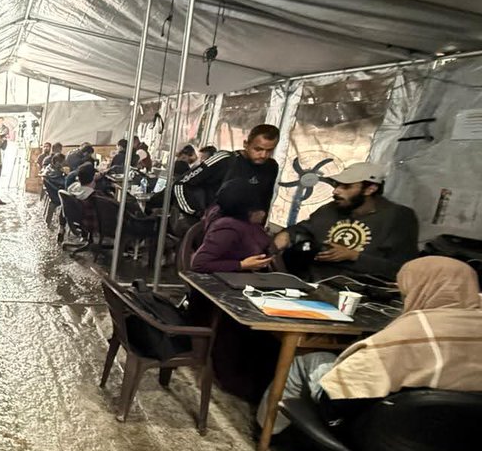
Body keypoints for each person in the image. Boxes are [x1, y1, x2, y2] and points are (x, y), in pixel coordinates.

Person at [258, 256, 482, 432]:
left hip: (373, 425)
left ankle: (268, 433)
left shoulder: (415, 329)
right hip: (449, 438)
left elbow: (352, 386)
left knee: (308, 358)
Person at [275, 163, 418, 282]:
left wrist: (354, 256)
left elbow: (403, 270)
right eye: (337, 185)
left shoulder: (398, 217)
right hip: (314, 284)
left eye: (346, 187)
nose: (336, 191)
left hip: (360, 293)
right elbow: (303, 229)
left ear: (370, 189)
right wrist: (287, 234)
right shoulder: (330, 210)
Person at [172, 123, 280, 216]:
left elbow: (265, 200)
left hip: (242, 227)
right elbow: (181, 184)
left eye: (269, 150)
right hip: (211, 223)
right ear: (246, 144)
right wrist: (195, 213)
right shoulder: (225, 160)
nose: (263, 155)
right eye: (258, 149)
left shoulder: (271, 167)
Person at [191, 179, 276, 272]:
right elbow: (199, 264)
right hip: (227, 280)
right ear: (248, 211)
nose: (263, 214)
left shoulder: (249, 224)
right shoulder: (227, 228)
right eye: (260, 209)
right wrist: (241, 265)